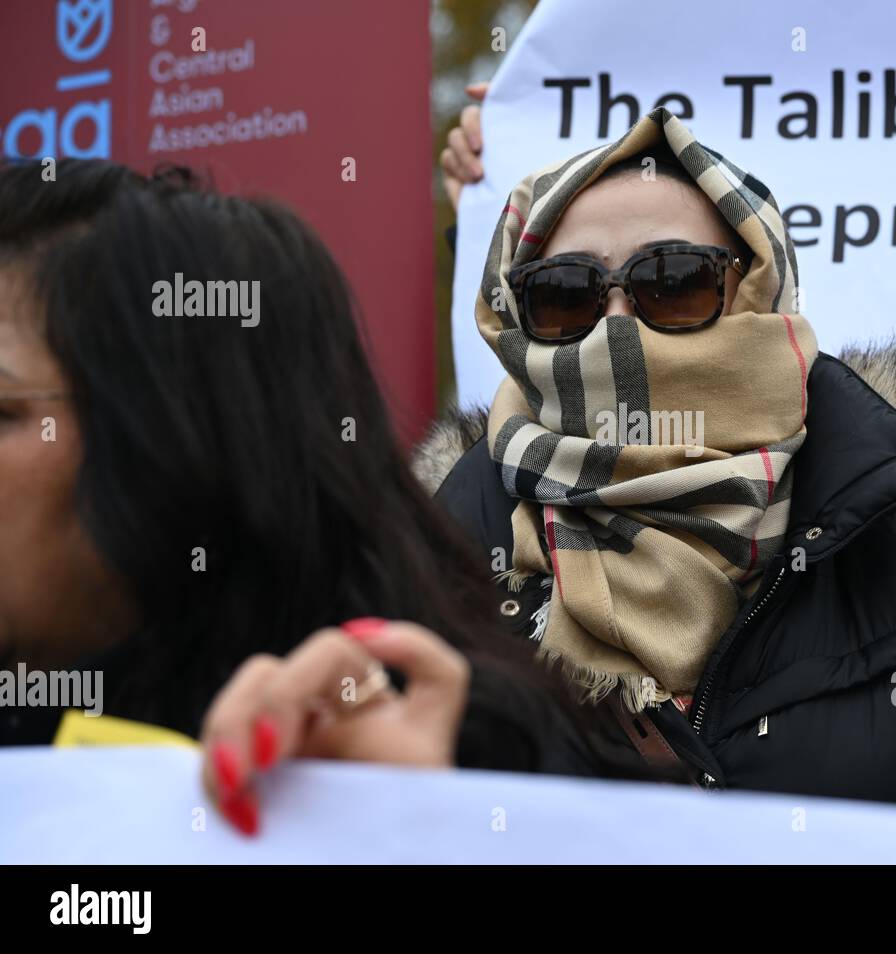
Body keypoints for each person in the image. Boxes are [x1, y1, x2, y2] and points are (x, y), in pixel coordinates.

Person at [421, 105, 896, 819]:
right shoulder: (436, 562)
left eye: (674, 281)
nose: (618, 327)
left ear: (757, 294)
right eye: (563, 294)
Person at [0, 158, 646, 836]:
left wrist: (415, 842)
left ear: (176, 441)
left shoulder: (503, 792)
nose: (619, 327)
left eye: (5, 411)